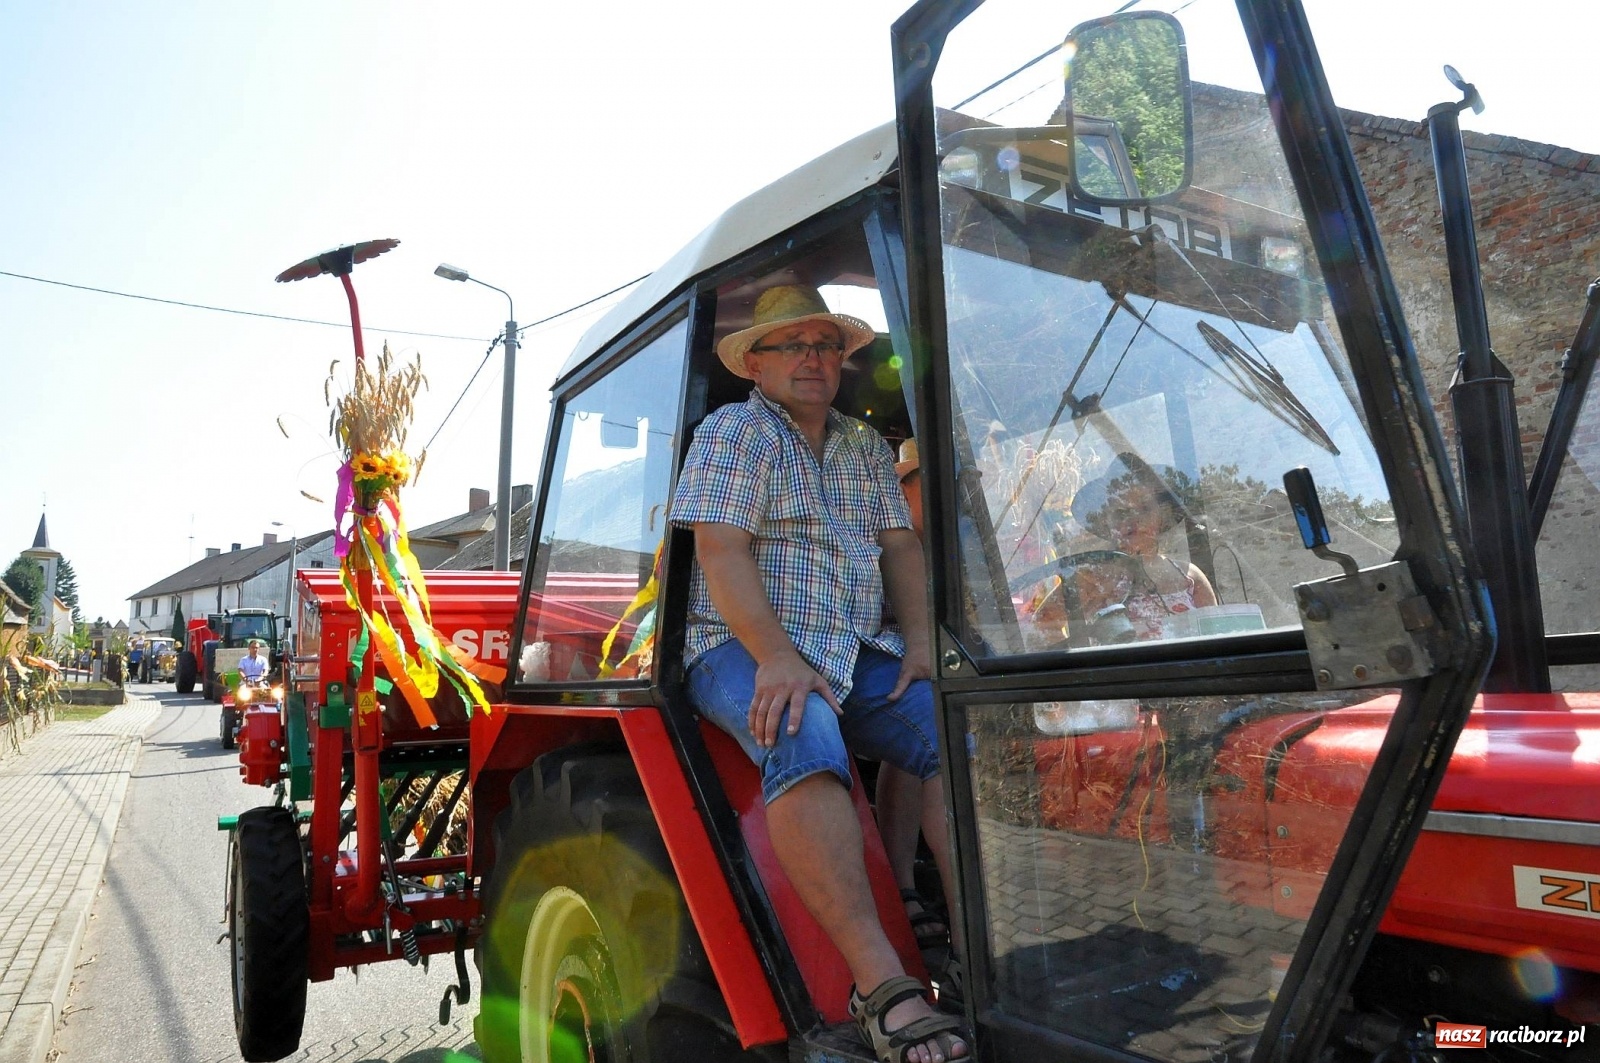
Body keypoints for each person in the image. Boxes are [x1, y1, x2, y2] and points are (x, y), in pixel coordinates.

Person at [671, 285, 967, 1063]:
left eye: (827, 344)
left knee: (958, 727)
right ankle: (882, 985)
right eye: (794, 344)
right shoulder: (733, 432)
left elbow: (899, 548)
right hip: (739, 642)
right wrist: (775, 655)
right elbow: (721, 551)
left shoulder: (864, 446)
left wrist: (919, 645)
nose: (814, 357)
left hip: (847, 642)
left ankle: (982, 952)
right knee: (799, 724)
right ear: (757, 364)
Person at [1067, 452, 1217, 641]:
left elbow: (1216, 638)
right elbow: (1044, 626)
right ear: (1106, 521)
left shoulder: (1189, 575)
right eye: (1121, 512)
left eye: (1145, 509)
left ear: (1162, 515)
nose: (1133, 519)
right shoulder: (1090, 577)